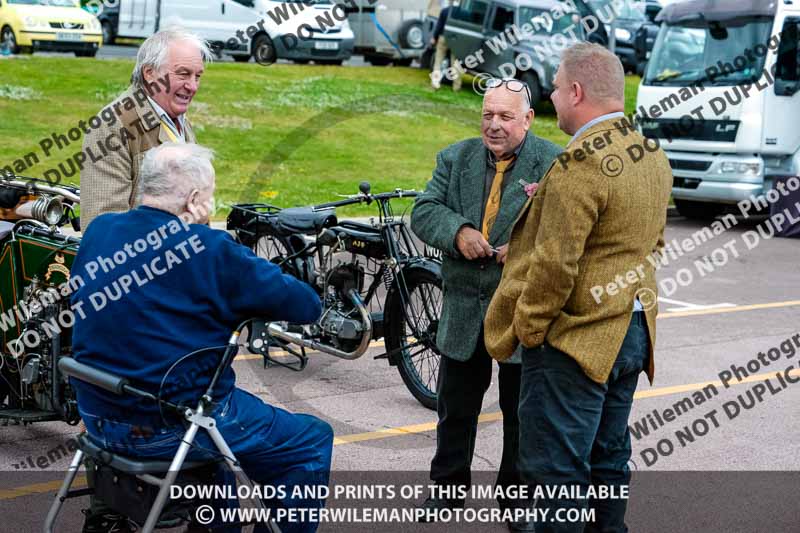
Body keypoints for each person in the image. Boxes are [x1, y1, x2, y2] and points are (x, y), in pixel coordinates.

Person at [71, 143, 333, 533]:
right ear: (194, 199)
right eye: (209, 198)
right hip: (170, 424)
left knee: (213, 453)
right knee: (310, 441)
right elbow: (306, 305)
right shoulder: (210, 249)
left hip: (98, 416)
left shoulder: (100, 231)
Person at [484, 42, 673, 532]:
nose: (550, 96)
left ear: (575, 91)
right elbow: (653, 243)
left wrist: (529, 328)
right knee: (609, 458)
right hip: (634, 331)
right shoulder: (651, 153)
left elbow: (555, 264)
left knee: (557, 472)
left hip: (576, 338)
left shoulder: (581, 162)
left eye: (554, 87)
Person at [411, 79, 561, 531]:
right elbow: (423, 210)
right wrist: (458, 232)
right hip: (463, 309)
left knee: (521, 414)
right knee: (455, 408)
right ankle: (446, 489)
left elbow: (564, 228)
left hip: (519, 311)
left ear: (528, 120)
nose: (493, 126)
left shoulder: (553, 163)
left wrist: (527, 246)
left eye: (505, 117)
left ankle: (516, 502)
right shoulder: (454, 158)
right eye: (487, 115)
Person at [80, 28, 212, 230]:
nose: (193, 86)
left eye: (198, 76)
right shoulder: (112, 125)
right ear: (149, 73)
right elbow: (103, 227)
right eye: (183, 74)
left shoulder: (177, 118)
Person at [429, 2, 461, 92]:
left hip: (444, 37)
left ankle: (435, 82)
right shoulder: (463, 12)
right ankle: (456, 86)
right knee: (455, 63)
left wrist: (434, 37)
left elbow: (439, 26)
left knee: (438, 62)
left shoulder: (445, 11)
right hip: (457, 39)